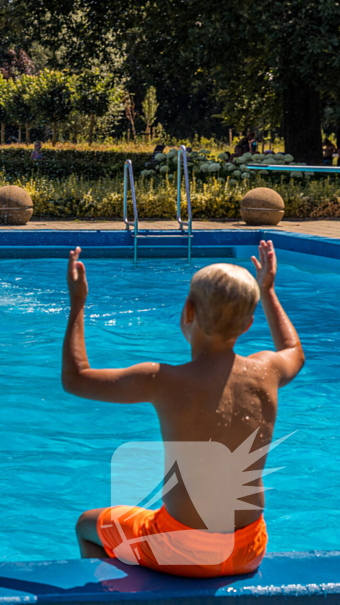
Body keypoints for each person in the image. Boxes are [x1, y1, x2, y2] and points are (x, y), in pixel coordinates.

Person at [65, 242, 304, 578]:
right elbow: (294, 349)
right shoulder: (268, 370)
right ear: (249, 323)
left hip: (180, 549)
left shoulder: (163, 379)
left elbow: (76, 379)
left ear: (188, 312)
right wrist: (267, 290)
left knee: (86, 525)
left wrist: (77, 304)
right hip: (249, 548)